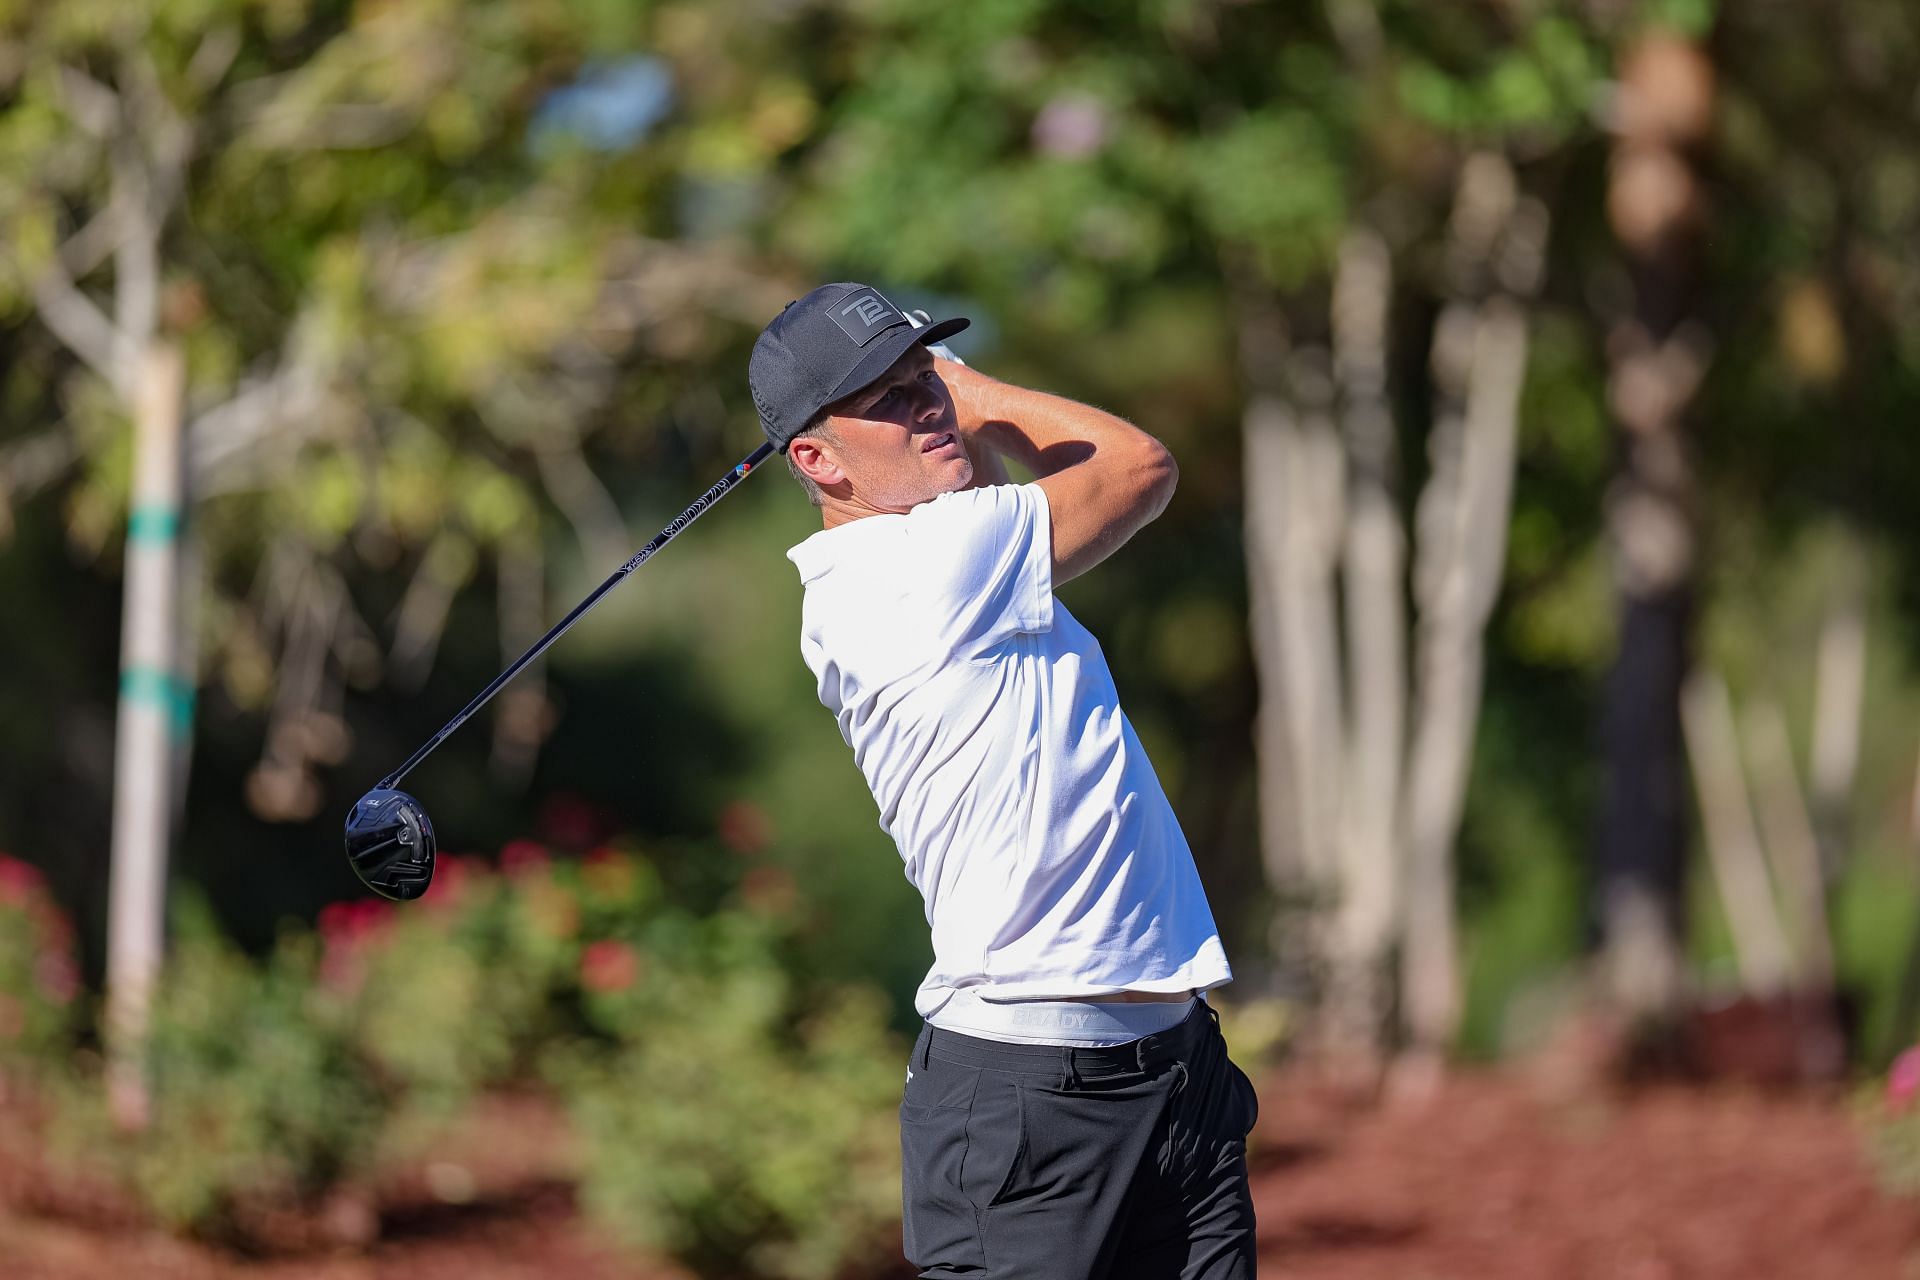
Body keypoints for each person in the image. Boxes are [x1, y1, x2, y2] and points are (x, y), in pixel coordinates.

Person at [749, 282, 1258, 1280]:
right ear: (815, 458)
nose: (927, 403)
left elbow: (995, 484)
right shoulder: (909, 571)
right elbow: (1136, 466)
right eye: (891, 397)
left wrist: (940, 414)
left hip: (1174, 1070)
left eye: (925, 377)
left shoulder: (958, 553)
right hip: (1033, 1102)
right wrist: (976, 393)